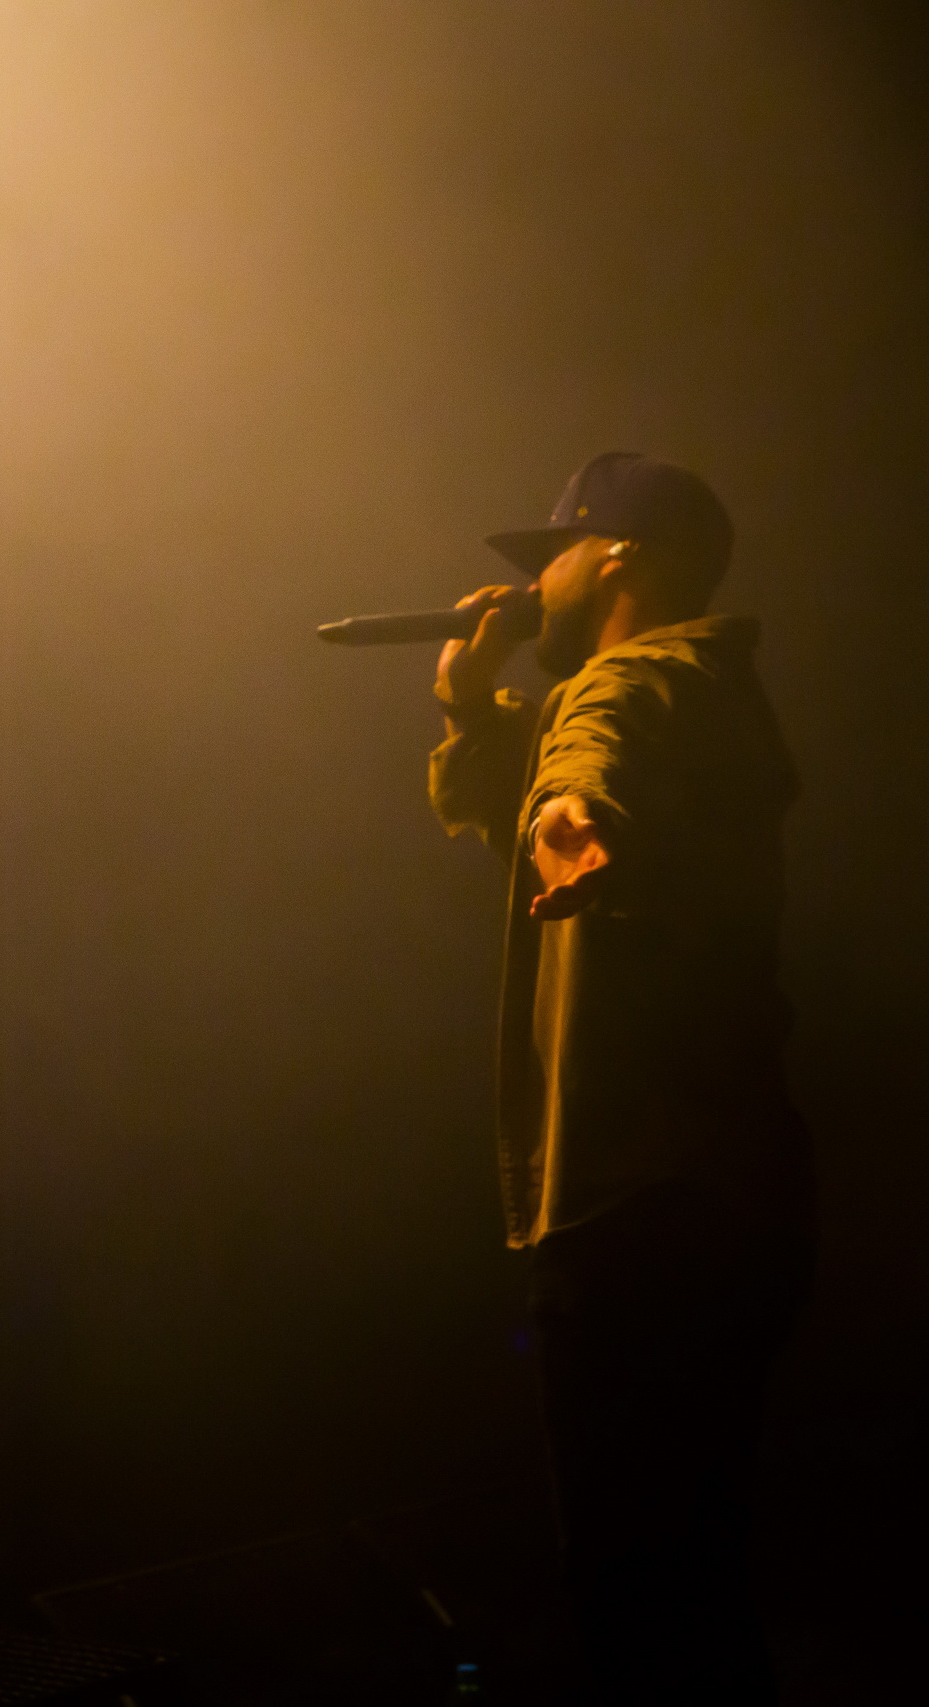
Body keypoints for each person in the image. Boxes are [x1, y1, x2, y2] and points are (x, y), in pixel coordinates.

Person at [428, 452, 813, 1703]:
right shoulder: (703, 692)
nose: (532, 582)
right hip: (719, 1186)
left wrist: (570, 820)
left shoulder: (634, 680)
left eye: (548, 555)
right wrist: (473, 710)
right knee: (691, 1572)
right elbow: (536, 787)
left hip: (640, 1198)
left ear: (615, 559)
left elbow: (578, 764)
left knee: (634, 1588)